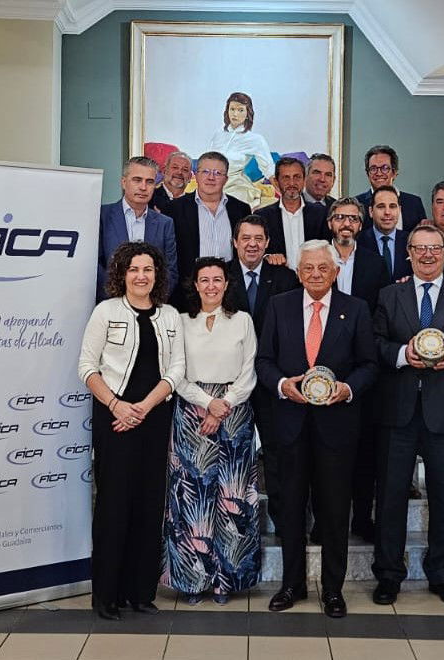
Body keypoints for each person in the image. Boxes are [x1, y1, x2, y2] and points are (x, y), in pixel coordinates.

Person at [256, 240, 378, 618]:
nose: (315, 274)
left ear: (335, 271)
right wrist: (282, 385)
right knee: (290, 509)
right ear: (298, 272)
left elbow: (370, 364)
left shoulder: (355, 309)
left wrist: (348, 388)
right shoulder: (279, 306)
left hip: (337, 427)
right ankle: (292, 585)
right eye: (307, 268)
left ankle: (333, 589)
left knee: (335, 511)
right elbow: (264, 360)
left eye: (323, 268)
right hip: (290, 425)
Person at [371, 225, 444, 608]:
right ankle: (388, 575)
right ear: (409, 252)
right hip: (398, 412)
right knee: (390, 497)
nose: (428, 255)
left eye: (435, 248)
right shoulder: (389, 295)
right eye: (420, 248)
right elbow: (375, 342)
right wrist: (402, 354)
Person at [78, 242, 185, 620]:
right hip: (115, 420)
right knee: (114, 505)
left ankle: (140, 593)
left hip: (153, 417)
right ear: (122, 274)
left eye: (148, 269)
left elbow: (176, 369)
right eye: (134, 269)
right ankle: (107, 596)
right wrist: (117, 405)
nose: (141, 276)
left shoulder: (170, 316)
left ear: (157, 275)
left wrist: (143, 407)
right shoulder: (106, 311)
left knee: (149, 504)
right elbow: (87, 367)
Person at [162, 257, 260, 605]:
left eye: (217, 279)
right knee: (194, 500)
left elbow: (249, 372)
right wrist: (206, 402)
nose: (211, 286)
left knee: (232, 498)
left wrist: (224, 404)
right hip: (192, 412)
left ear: (226, 284)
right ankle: (192, 580)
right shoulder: (180, 321)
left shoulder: (242, 320)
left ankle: (226, 581)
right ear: (195, 285)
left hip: (234, 412)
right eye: (204, 280)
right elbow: (175, 372)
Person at [228, 215, 300, 536]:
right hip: (231, 381)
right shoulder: (220, 276)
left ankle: (284, 522)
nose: (252, 244)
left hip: (272, 378)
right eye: (246, 238)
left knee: (277, 449)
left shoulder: (285, 277)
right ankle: (234, 524)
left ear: (268, 243)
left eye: (258, 238)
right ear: (235, 242)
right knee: (233, 450)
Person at [324, 197, 389, 544]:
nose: (346, 223)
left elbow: (381, 311)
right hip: (321, 362)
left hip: (362, 365)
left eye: (352, 218)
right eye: (340, 217)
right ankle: (323, 521)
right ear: (330, 223)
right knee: (324, 451)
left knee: (364, 450)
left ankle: (363, 517)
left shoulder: (375, 263)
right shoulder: (318, 257)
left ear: (361, 226)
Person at [167, 151, 251, 311]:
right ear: (196, 175)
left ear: (226, 179)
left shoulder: (241, 209)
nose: (211, 177)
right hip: (188, 295)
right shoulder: (174, 209)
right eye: (205, 171)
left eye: (218, 173)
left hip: (231, 294)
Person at [98, 156, 178, 301]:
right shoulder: (101, 216)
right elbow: (95, 267)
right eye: (137, 180)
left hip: (150, 307)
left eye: (150, 182)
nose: (143, 187)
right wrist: (118, 300)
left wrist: (149, 302)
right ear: (124, 182)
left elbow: (170, 272)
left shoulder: (165, 223)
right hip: (111, 305)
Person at [256, 156, 330, 270]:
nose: (292, 183)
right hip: (278, 280)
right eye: (286, 178)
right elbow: (255, 251)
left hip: (313, 279)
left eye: (297, 177)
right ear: (276, 182)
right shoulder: (262, 217)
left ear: (304, 180)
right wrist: (267, 257)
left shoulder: (321, 214)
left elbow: (329, 251)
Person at [208, 91, 274, 208]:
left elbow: (269, 169)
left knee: (229, 205)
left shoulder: (255, 139)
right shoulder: (218, 135)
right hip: (212, 181)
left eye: (240, 110)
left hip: (235, 184)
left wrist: (284, 192)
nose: (235, 114)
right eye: (232, 109)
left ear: (248, 113)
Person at [354, 145, 427, 232]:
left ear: (394, 172)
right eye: (373, 169)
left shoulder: (414, 203)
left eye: (385, 168)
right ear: (367, 174)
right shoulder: (357, 203)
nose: (379, 173)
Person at [357, 185, 413, 281]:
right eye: (381, 207)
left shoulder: (411, 241)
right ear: (371, 211)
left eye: (392, 206)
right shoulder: (358, 242)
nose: (387, 212)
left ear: (399, 210)